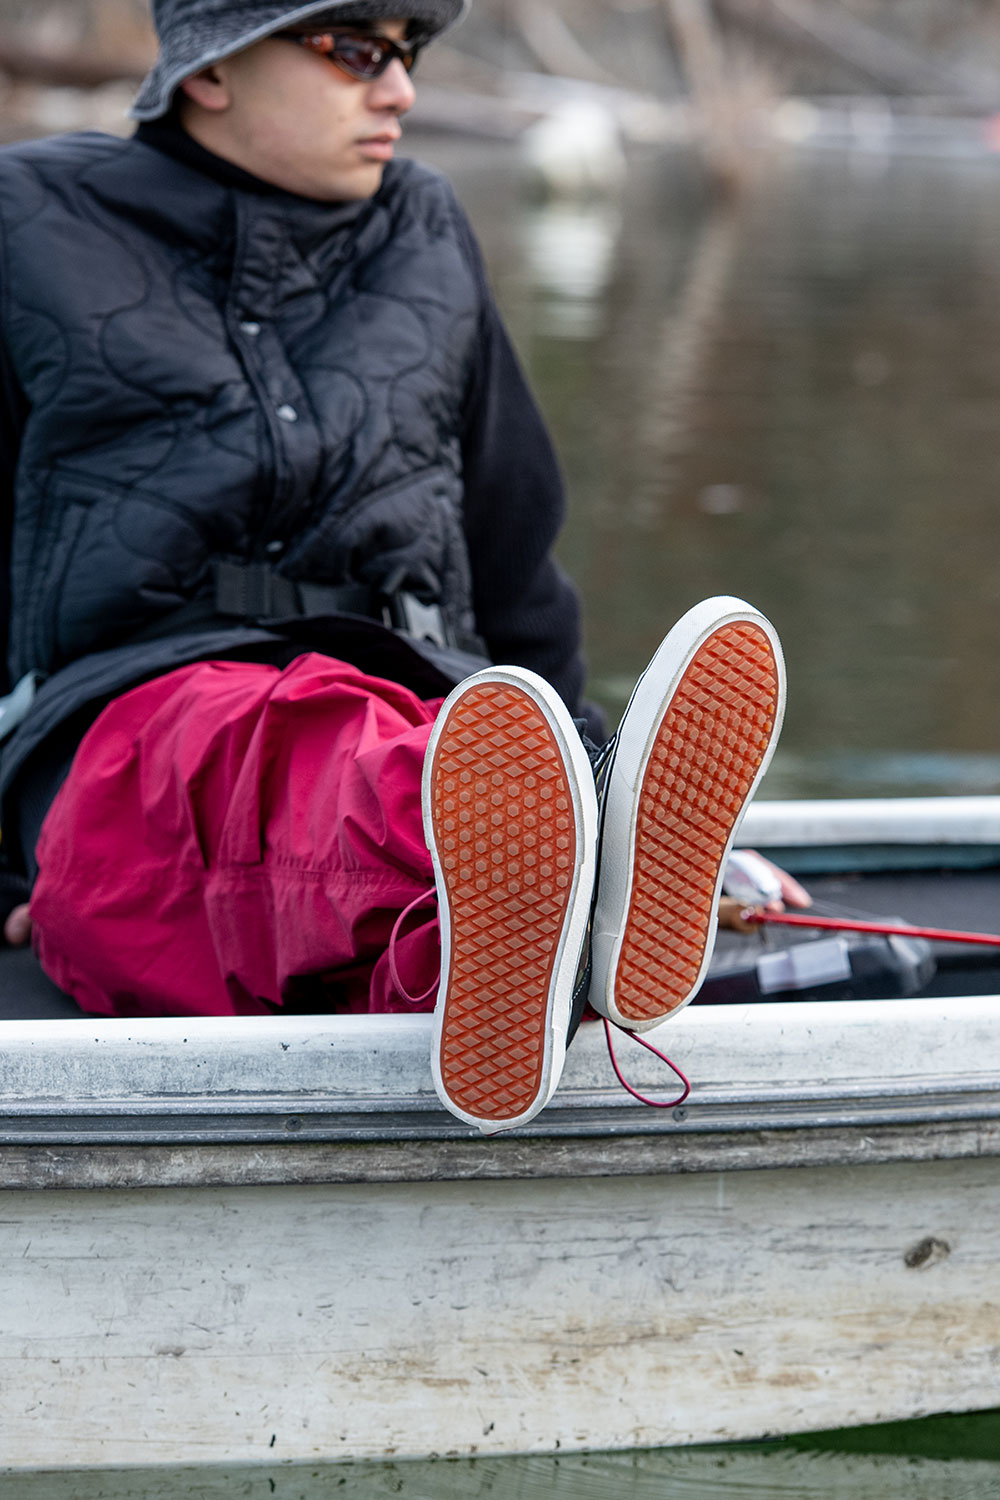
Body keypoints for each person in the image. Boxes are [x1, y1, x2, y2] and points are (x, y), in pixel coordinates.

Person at [0, 0, 786, 1133]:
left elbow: (515, 560)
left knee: (427, 767)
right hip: (133, 730)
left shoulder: (425, 226)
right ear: (211, 68)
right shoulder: (30, 221)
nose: (401, 93)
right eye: (355, 54)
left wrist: (590, 735)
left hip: (443, 705)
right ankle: (566, 862)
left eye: (408, 57)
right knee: (287, 760)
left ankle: (545, 890)